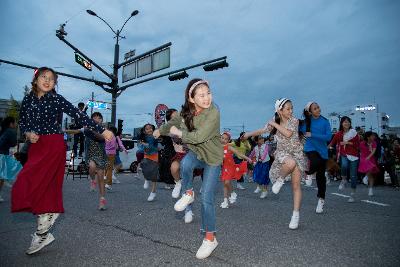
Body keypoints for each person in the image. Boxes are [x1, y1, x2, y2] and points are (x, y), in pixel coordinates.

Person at [11, 67, 113, 255]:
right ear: (35, 80)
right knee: (25, 183)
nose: (48, 81)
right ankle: (45, 227)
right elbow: (23, 121)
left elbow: (79, 115)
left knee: (44, 185)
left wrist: (102, 130)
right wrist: (27, 133)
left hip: (53, 145)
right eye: (44, 77)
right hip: (36, 147)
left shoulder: (57, 99)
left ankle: (42, 231)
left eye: (52, 79)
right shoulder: (27, 99)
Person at [154, 78, 222, 259]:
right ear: (192, 99)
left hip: (213, 159)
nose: (207, 98)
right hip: (197, 154)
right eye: (202, 95)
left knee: (207, 198)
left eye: (208, 93)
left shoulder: (213, 112)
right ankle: (188, 192)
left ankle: (210, 238)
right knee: (184, 164)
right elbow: (172, 122)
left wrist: (179, 133)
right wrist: (160, 130)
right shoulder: (185, 113)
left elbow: (199, 136)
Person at [243, 98, 306, 230]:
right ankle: (280, 179)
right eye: (288, 108)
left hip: (297, 153)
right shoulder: (275, 122)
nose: (291, 111)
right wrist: (248, 134)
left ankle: (295, 215)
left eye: (292, 108)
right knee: (290, 162)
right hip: (283, 153)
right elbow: (262, 131)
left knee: (296, 185)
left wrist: (274, 124)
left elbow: (288, 134)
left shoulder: (294, 121)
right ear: (280, 110)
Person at [300, 101, 332, 214]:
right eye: (315, 108)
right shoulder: (306, 123)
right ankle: (308, 174)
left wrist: (312, 135)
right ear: (310, 112)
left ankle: (321, 200)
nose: (318, 109)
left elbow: (328, 137)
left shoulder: (325, 122)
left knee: (320, 178)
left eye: (318, 107)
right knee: (314, 161)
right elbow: (297, 130)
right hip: (310, 148)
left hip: (323, 151)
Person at [329, 116, 360, 202]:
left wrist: (347, 142)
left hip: (354, 155)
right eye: (345, 122)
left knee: (353, 176)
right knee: (344, 166)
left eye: (348, 122)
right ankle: (343, 180)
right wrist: (324, 148)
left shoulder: (353, 132)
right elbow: (332, 143)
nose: (346, 123)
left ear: (350, 123)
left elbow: (358, 144)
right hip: (344, 154)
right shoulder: (338, 134)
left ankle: (352, 194)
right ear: (341, 123)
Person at [220, 132, 251, 208]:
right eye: (222, 138)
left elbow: (239, 154)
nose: (224, 140)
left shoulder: (229, 147)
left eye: (226, 139)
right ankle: (225, 201)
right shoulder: (218, 148)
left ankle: (233, 193)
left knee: (227, 182)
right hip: (224, 168)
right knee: (224, 184)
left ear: (229, 140)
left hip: (230, 167)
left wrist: (248, 158)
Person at [85, 112, 108, 210]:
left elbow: (102, 138)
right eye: (94, 117)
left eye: (99, 118)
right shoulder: (87, 130)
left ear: (101, 120)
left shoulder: (104, 131)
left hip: (101, 156)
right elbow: (77, 131)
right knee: (92, 167)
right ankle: (92, 179)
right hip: (91, 155)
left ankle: (102, 200)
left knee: (101, 180)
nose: (96, 119)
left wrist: (92, 131)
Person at [0, 116, 20, 202]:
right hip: (2, 155)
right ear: (11, 124)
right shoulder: (10, 131)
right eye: (15, 122)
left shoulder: (2, 130)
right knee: (1, 176)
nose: (16, 124)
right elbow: (13, 143)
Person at [140, 123, 159, 201]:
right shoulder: (143, 137)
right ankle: (146, 179)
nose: (149, 130)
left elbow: (152, 147)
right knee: (144, 166)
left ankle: (153, 192)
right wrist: (143, 144)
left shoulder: (155, 137)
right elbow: (141, 146)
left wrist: (145, 145)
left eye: (150, 128)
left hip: (154, 155)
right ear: (144, 131)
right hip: (146, 155)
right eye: (147, 129)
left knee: (154, 174)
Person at [358, 131, 380, 196]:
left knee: (371, 174)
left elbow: (373, 151)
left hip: (371, 158)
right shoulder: (362, 143)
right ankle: (366, 177)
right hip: (363, 158)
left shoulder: (374, 143)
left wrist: (369, 157)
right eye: (372, 136)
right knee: (369, 171)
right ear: (368, 137)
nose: (374, 137)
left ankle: (370, 190)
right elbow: (359, 150)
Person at [104, 126, 117, 190]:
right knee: (110, 169)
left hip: (105, 152)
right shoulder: (113, 137)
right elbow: (113, 146)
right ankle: (108, 184)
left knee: (106, 167)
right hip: (111, 153)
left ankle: (104, 177)